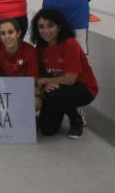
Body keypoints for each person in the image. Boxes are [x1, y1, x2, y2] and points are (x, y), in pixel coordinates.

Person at [32, 8, 98, 139]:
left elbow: (70, 79)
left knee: (56, 94)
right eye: (41, 27)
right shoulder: (40, 48)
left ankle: (76, 119)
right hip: (56, 89)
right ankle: (58, 108)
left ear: (59, 27)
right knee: (47, 130)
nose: (45, 31)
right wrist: (44, 87)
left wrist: (44, 82)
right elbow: (38, 75)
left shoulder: (70, 44)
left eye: (50, 26)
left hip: (83, 88)